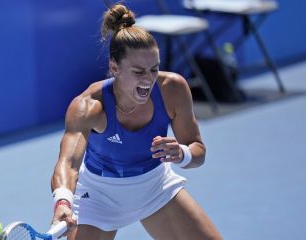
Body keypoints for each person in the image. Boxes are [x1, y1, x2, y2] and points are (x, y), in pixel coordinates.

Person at [50, 3, 222, 240]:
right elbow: (68, 163)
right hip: (99, 198)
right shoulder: (88, 106)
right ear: (114, 68)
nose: (148, 79)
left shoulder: (173, 89)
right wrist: (62, 200)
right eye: (138, 71)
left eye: (154, 69)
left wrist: (182, 153)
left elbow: (198, 151)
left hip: (156, 188)